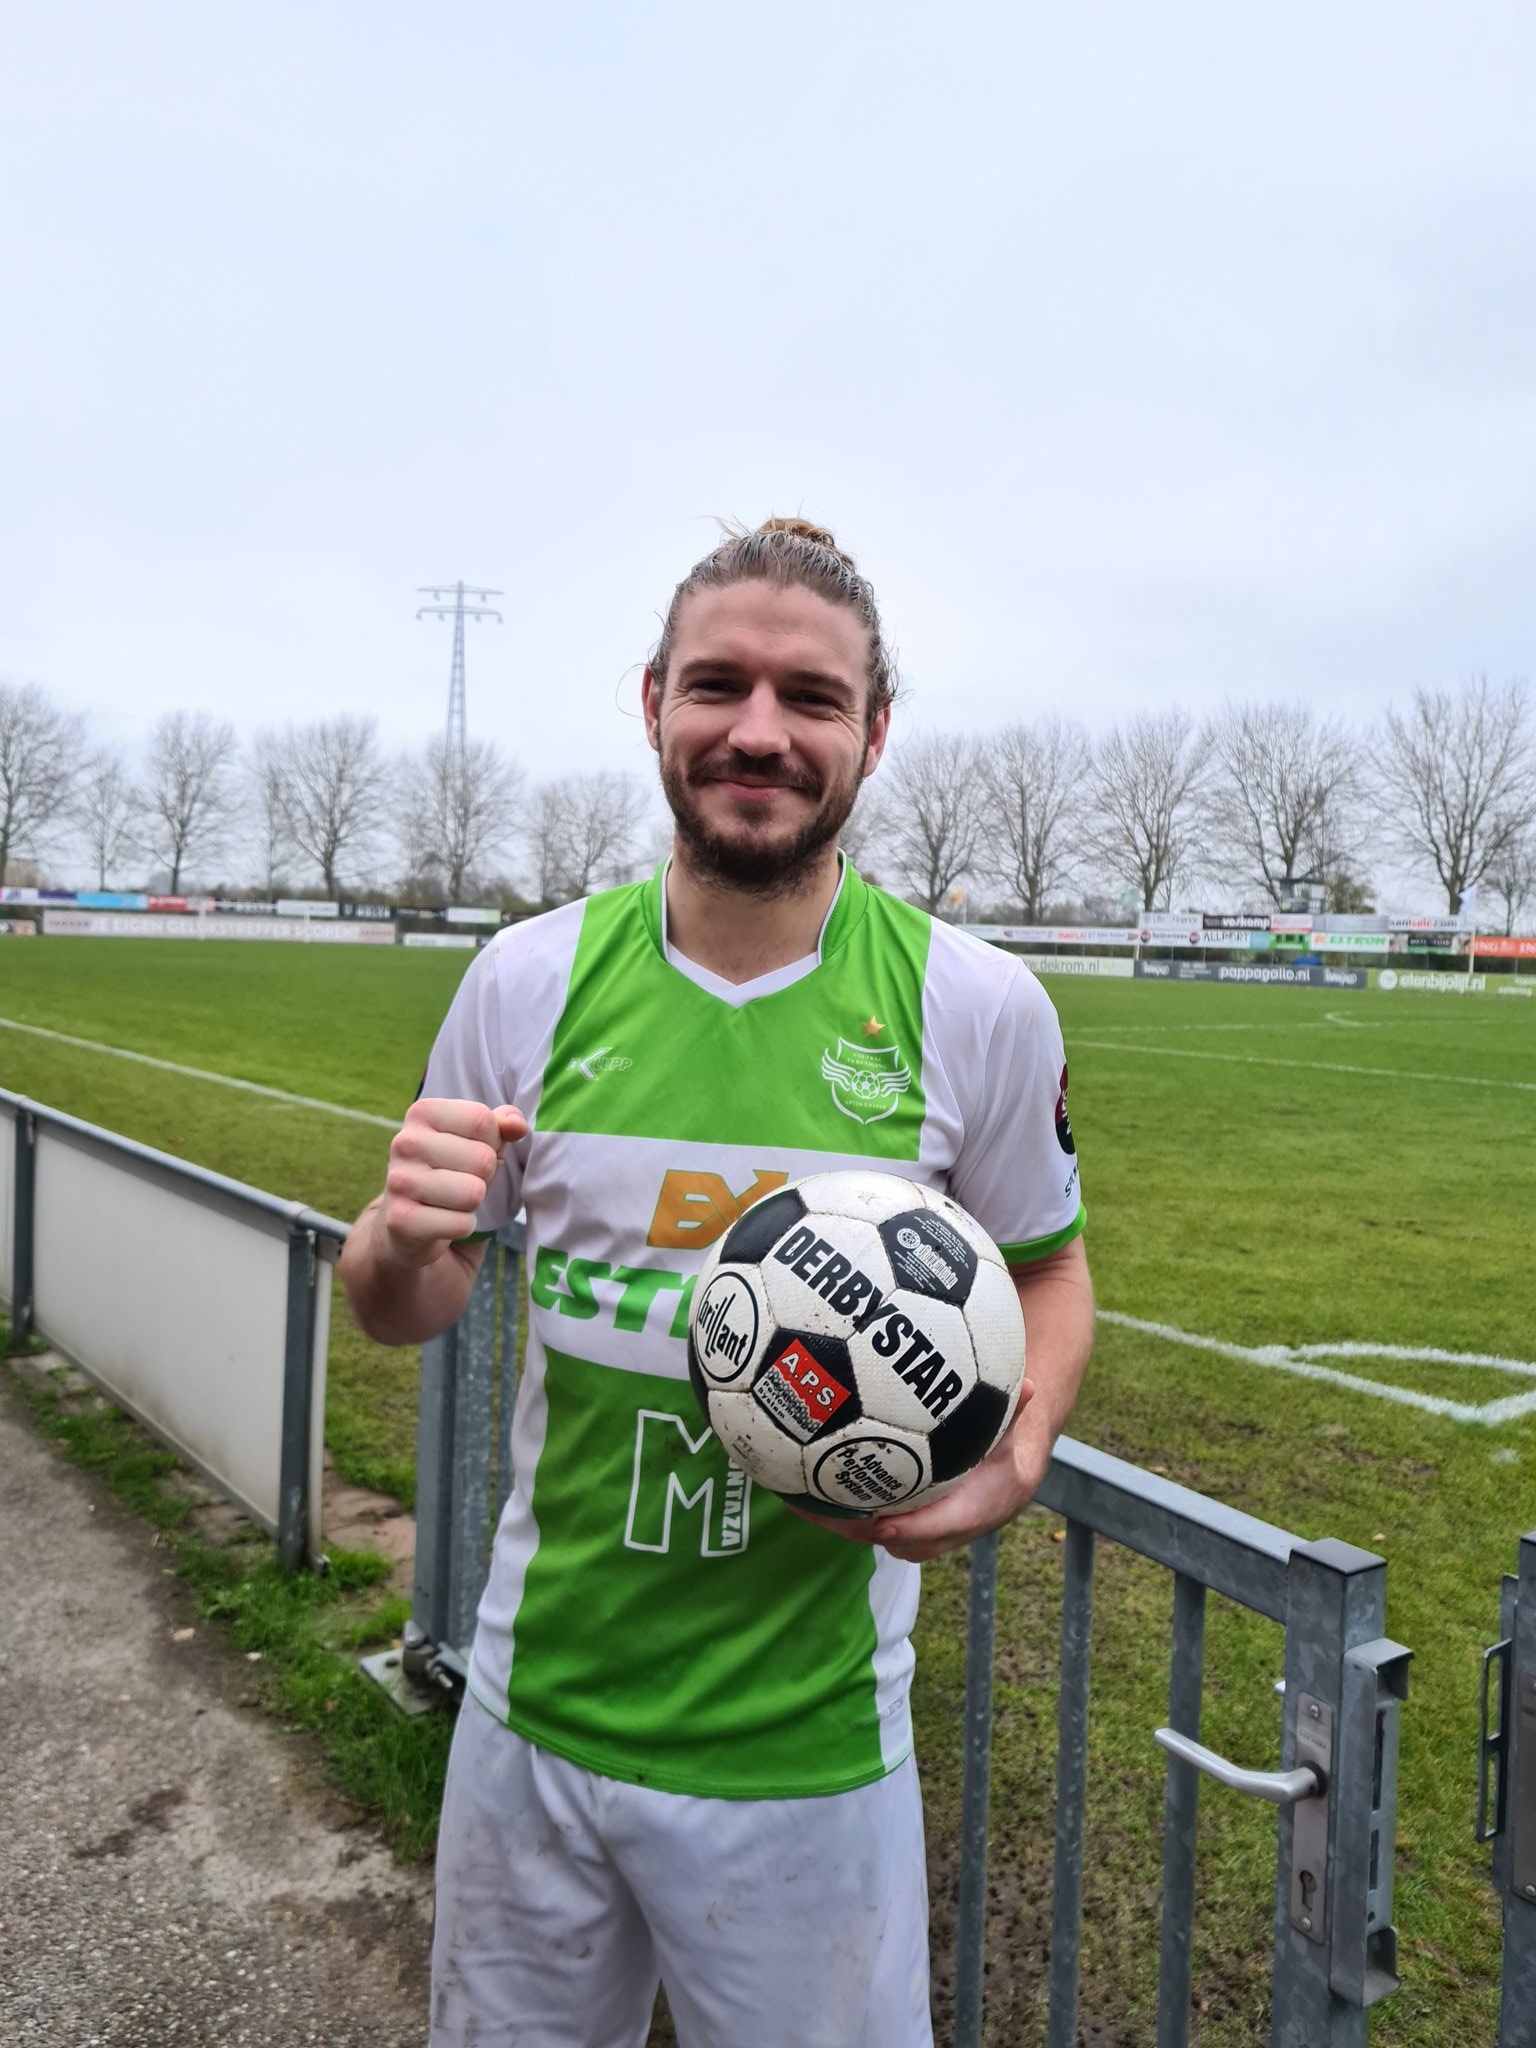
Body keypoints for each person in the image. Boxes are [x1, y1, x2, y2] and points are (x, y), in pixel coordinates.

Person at [339, 517, 1096, 2048]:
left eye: (811, 698)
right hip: (534, 1720)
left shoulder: (976, 1008)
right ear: (654, 705)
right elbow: (401, 1305)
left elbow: (1051, 1268)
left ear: (875, 731)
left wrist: (1013, 1461)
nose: (760, 732)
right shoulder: (528, 981)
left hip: (807, 1759)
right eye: (719, 686)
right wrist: (397, 1240)